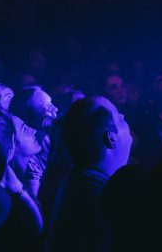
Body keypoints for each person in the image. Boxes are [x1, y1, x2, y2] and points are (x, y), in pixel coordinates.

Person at [47, 96, 133, 252]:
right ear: (111, 139)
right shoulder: (102, 202)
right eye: (118, 117)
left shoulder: (79, 182)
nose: (124, 117)